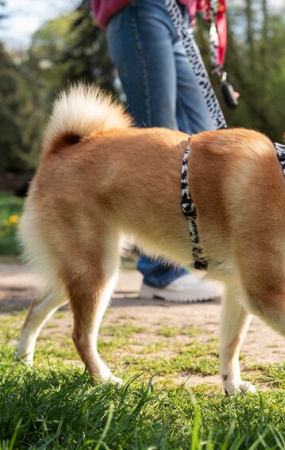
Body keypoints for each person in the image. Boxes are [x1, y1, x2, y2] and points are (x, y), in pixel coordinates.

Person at [92, 0, 221, 303]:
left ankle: (201, 255)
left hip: (179, 17)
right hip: (140, 9)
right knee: (158, 149)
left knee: (208, 144)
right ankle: (160, 271)